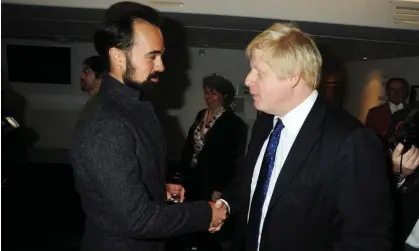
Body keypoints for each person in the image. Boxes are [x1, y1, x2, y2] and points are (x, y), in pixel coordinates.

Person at [215, 23, 393, 251]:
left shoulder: (351, 140)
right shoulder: (265, 122)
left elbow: (366, 240)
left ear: (293, 77)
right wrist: (226, 204)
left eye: (259, 72)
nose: (248, 79)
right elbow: (249, 181)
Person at [70, 3, 226, 251]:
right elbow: (137, 219)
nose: (161, 65)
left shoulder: (133, 107)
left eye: (161, 56)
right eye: (152, 56)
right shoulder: (106, 123)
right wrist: (204, 214)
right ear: (118, 57)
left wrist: (156, 189)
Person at [177, 74, 247, 251]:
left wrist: (220, 187)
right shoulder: (201, 115)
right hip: (192, 178)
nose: (208, 97)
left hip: (212, 182)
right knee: (190, 219)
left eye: (213, 93)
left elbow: (231, 160)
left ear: (223, 96)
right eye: (206, 92)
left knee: (209, 224)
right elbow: (189, 146)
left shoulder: (234, 123)